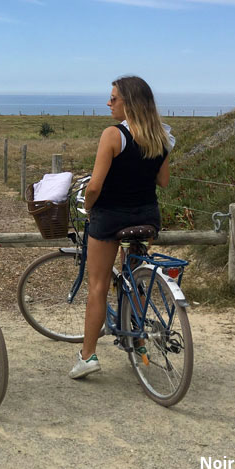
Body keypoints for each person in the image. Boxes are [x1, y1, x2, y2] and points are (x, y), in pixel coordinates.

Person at [69, 76, 173, 380]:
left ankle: (87, 356)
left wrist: (88, 209)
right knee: (133, 276)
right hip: (147, 217)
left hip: (111, 218)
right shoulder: (162, 136)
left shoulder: (113, 136)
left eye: (114, 98)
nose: (109, 103)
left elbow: (95, 187)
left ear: (128, 103)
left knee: (98, 286)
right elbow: (163, 182)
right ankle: (138, 340)